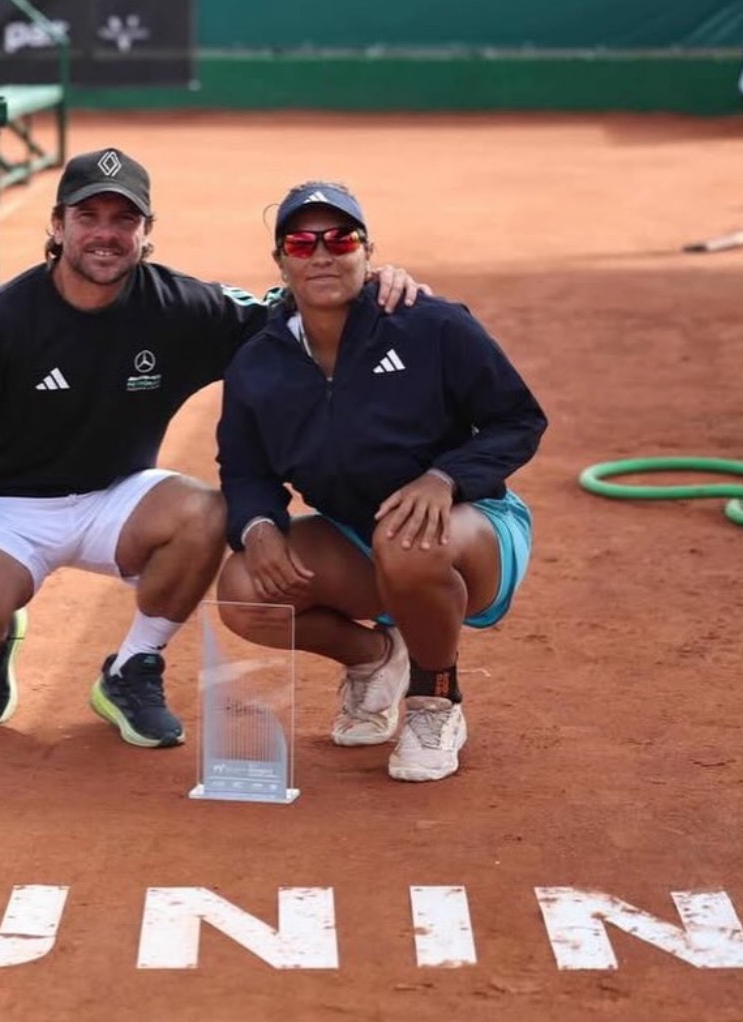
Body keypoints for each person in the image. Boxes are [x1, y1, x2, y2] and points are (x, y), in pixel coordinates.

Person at [0, 148, 428, 750]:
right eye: (88, 216)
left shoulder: (179, 306)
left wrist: (365, 283)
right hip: (5, 511)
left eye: (124, 219)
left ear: (146, 231)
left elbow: (285, 314)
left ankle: (132, 668)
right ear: (58, 224)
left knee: (207, 511)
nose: (105, 234)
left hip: (115, 497)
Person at [214, 180, 547, 781]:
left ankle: (435, 700)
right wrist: (258, 526)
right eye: (302, 243)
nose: (322, 254)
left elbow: (518, 420)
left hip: (472, 525)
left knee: (407, 538)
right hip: (356, 535)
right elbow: (244, 470)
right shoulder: (258, 362)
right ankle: (376, 656)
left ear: (367, 251)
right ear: (281, 261)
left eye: (341, 239)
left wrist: (444, 478)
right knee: (243, 591)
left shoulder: (430, 324)